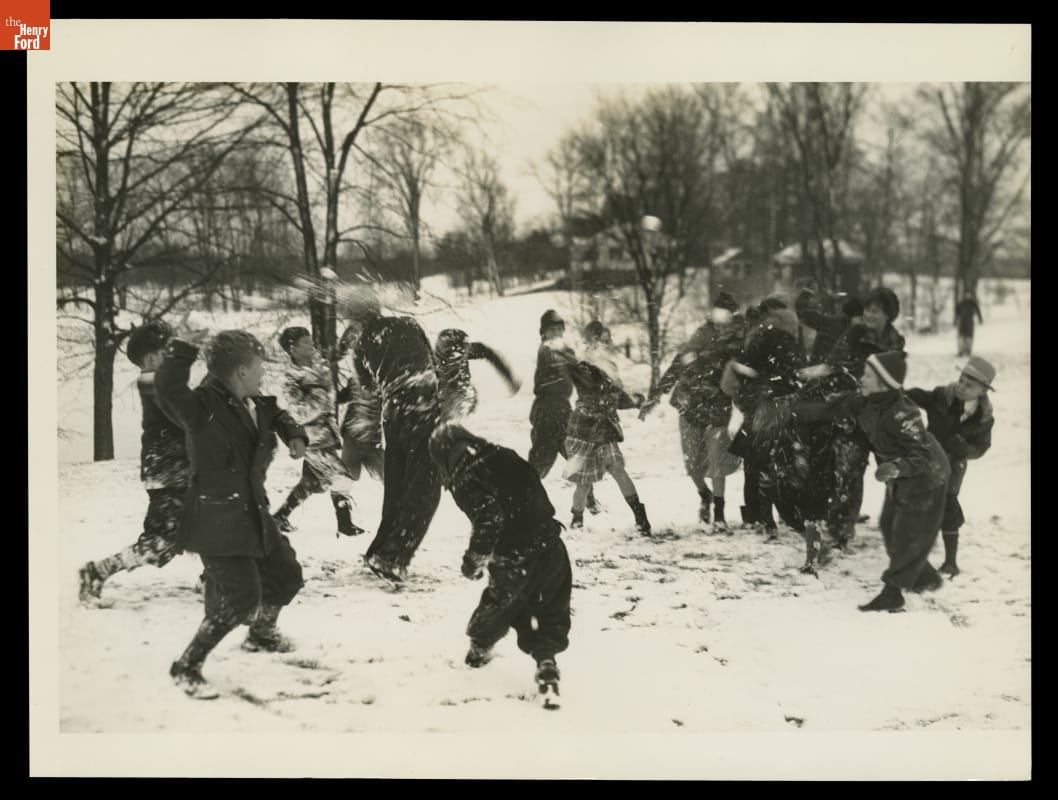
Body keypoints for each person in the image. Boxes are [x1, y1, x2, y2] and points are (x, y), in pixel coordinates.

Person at [155, 329, 309, 699]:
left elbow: (276, 413)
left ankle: (261, 634)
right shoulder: (203, 408)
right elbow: (168, 390)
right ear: (241, 371)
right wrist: (183, 351)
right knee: (242, 599)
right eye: (259, 367)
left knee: (287, 574)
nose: (262, 375)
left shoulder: (249, 402)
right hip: (217, 520)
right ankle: (187, 665)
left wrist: (293, 433)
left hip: (254, 511)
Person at [795, 351, 951, 611]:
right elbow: (833, 408)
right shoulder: (867, 401)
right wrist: (795, 410)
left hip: (927, 477)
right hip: (901, 474)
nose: (862, 379)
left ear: (884, 382)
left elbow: (922, 456)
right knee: (889, 526)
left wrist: (896, 467)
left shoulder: (904, 414)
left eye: (868, 375)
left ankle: (893, 592)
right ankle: (925, 577)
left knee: (906, 533)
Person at [429, 423, 570, 704]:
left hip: (514, 556)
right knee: (551, 609)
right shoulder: (504, 454)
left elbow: (489, 519)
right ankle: (546, 662)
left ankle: (478, 654)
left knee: (501, 605)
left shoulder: (465, 478)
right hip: (551, 544)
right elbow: (533, 484)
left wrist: (474, 560)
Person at [78, 321, 191, 606]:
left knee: (208, 523)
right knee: (161, 542)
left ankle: (217, 577)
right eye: (170, 351)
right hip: (168, 473)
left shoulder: (161, 385)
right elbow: (187, 416)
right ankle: (98, 571)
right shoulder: (154, 386)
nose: (175, 358)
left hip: (178, 470)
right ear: (152, 359)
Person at [340, 292, 443, 584]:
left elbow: (368, 390)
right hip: (423, 407)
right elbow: (431, 362)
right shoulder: (408, 324)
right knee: (425, 486)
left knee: (397, 488)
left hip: (394, 415)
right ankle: (392, 558)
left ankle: (380, 550)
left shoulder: (360, 347)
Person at [639, 291, 744, 531]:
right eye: (718, 312)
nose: (721, 317)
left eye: (726, 312)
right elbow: (679, 363)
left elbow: (742, 367)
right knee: (692, 466)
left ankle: (719, 512)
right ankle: (704, 495)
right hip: (690, 405)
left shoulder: (740, 339)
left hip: (718, 406)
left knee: (717, 460)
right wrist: (655, 396)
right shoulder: (702, 334)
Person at [905, 356, 996, 577]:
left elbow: (982, 447)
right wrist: (902, 393)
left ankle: (950, 562)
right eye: (961, 380)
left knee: (948, 505)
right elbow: (921, 397)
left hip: (954, 466)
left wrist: (965, 449)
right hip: (929, 459)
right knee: (920, 504)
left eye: (969, 385)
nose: (962, 387)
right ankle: (913, 558)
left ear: (982, 391)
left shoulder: (984, 417)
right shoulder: (941, 396)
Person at [271, 326, 365, 538]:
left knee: (311, 482)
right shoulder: (290, 378)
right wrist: (321, 395)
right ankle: (345, 525)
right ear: (292, 348)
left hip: (328, 433)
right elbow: (298, 412)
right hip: (311, 438)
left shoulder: (320, 367)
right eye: (305, 342)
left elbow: (327, 399)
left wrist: (345, 394)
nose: (311, 343)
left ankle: (279, 517)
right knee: (342, 478)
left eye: (310, 339)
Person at [559, 322, 650, 535]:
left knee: (617, 468)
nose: (608, 345)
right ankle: (577, 518)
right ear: (592, 340)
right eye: (605, 340)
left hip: (605, 427)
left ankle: (641, 518)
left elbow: (615, 397)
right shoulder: (581, 364)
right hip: (584, 428)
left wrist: (636, 401)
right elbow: (591, 387)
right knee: (583, 481)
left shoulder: (609, 365)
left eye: (608, 341)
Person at [527, 309, 600, 513]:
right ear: (544, 332)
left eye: (560, 328)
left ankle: (590, 500)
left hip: (563, 410)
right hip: (547, 411)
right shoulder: (546, 350)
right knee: (540, 462)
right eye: (553, 329)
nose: (557, 332)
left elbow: (579, 375)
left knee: (576, 455)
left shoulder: (563, 350)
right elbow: (559, 361)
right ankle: (522, 498)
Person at [433, 328, 520, 422]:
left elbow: (489, 354)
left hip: (464, 394)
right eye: (451, 355)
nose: (457, 357)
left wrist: (509, 378)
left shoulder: (467, 350)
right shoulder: (429, 364)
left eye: (462, 354)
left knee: (463, 400)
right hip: (442, 398)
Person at [954, 290, 984, 357]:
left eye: (969, 294)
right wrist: (955, 320)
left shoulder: (973, 303)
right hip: (962, 322)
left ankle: (968, 351)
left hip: (969, 322)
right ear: (964, 295)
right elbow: (957, 312)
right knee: (961, 337)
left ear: (971, 295)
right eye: (966, 294)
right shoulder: (961, 303)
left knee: (969, 337)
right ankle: (960, 351)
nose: (968, 296)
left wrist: (980, 319)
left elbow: (978, 311)